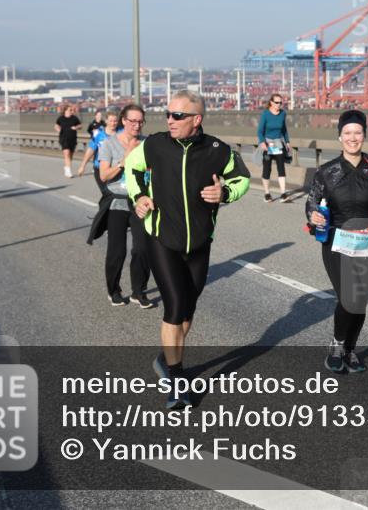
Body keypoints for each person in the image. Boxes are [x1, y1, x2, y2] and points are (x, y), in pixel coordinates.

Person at [126, 90, 250, 408]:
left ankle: (166, 358)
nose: (170, 120)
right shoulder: (154, 145)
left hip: (199, 244)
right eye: (167, 114)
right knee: (175, 305)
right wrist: (139, 195)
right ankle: (177, 382)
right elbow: (132, 168)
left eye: (177, 116)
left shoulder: (217, 150)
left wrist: (224, 194)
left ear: (197, 119)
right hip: (161, 238)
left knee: (187, 312)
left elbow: (243, 179)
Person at [306, 109, 368, 374]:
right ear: (339, 137)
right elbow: (312, 204)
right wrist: (314, 216)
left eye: (357, 132)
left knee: (359, 299)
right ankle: (336, 345)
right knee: (348, 296)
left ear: (364, 136)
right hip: (336, 240)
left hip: (367, 242)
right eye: (347, 133)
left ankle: (350, 349)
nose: (353, 137)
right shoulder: (327, 172)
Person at [93, 104, 152, 308]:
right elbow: (103, 175)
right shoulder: (109, 144)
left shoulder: (148, 143)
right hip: (117, 201)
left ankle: (139, 291)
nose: (137, 125)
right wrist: (123, 161)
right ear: (123, 121)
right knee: (117, 251)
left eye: (140, 121)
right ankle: (114, 290)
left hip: (140, 202)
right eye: (133, 121)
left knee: (143, 248)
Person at [257, 93, 291, 202]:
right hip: (267, 144)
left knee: (281, 168)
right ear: (271, 102)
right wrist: (262, 142)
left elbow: (284, 130)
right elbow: (260, 131)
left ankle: (283, 193)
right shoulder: (265, 114)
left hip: (278, 144)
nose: (279, 105)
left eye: (281, 103)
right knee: (267, 169)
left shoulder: (282, 114)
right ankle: (267, 193)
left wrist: (288, 142)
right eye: (277, 102)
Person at [78, 108, 120, 194]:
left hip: (116, 168)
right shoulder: (99, 134)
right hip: (100, 168)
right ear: (106, 121)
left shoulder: (122, 133)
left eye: (115, 121)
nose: (113, 123)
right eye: (110, 121)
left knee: (116, 193)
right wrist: (83, 166)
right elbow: (91, 150)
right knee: (106, 193)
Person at [54, 105, 82, 178]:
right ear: (65, 110)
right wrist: (58, 130)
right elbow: (56, 126)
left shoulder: (74, 118)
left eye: (72, 110)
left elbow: (80, 126)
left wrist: (75, 127)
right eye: (70, 110)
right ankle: (68, 171)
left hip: (73, 138)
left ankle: (66, 167)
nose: (72, 111)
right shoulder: (61, 118)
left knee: (71, 155)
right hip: (63, 138)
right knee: (67, 153)